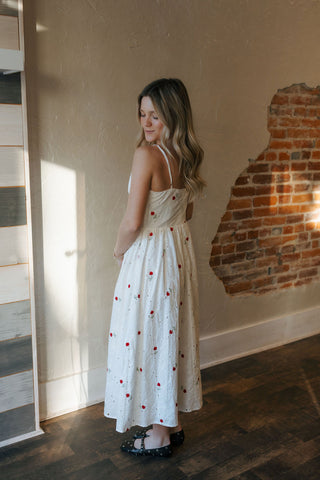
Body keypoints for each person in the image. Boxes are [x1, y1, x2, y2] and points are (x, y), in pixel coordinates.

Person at [104, 78, 206, 457]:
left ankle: (160, 435)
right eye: (142, 114)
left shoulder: (147, 155)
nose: (146, 123)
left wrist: (118, 251)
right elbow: (187, 211)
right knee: (170, 336)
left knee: (149, 336)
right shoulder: (186, 156)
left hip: (149, 256)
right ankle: (170, 421)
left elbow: (133, 222)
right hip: (177, 253)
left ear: (173, 116)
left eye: (155, 116)